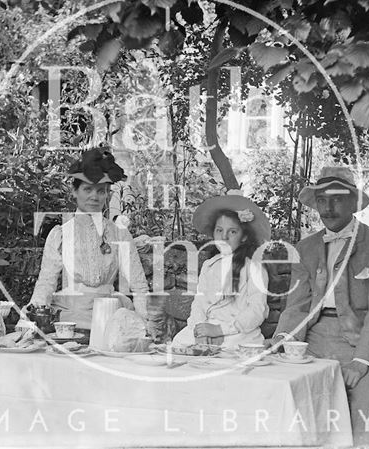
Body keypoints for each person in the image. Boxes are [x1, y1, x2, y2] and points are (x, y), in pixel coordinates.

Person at [270, 166, 369, 447]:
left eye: (337, 199)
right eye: (321, 200)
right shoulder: (306, 248)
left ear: (353, 202)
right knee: (283, 390)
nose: (327, 208)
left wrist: (362, 360)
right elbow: (297, 305)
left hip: (359, 343)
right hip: (313, 342)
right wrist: (282, 340)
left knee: (365, 400)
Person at [28, 148, 149, 329]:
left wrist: (145, 322)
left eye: (101, 191)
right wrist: (34, 315)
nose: (94, 196)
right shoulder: (60, 235)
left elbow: (139, 286)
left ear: (107, 194)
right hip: (70, 313)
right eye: (87, 189)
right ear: (75, 191)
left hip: (109, 311)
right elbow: (46, 282)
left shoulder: (120, 234)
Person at [172, 192, 270, 349]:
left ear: (244, 236)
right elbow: (199, 303)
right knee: (180, 342)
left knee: (230, 348)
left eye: (232, 231)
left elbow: (257, 310)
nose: (224, 237)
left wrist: (220, 330)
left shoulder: (254, 267)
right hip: (207, 327)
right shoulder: (209, 265)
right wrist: (200, 330)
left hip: (237, 331)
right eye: (219, 230)